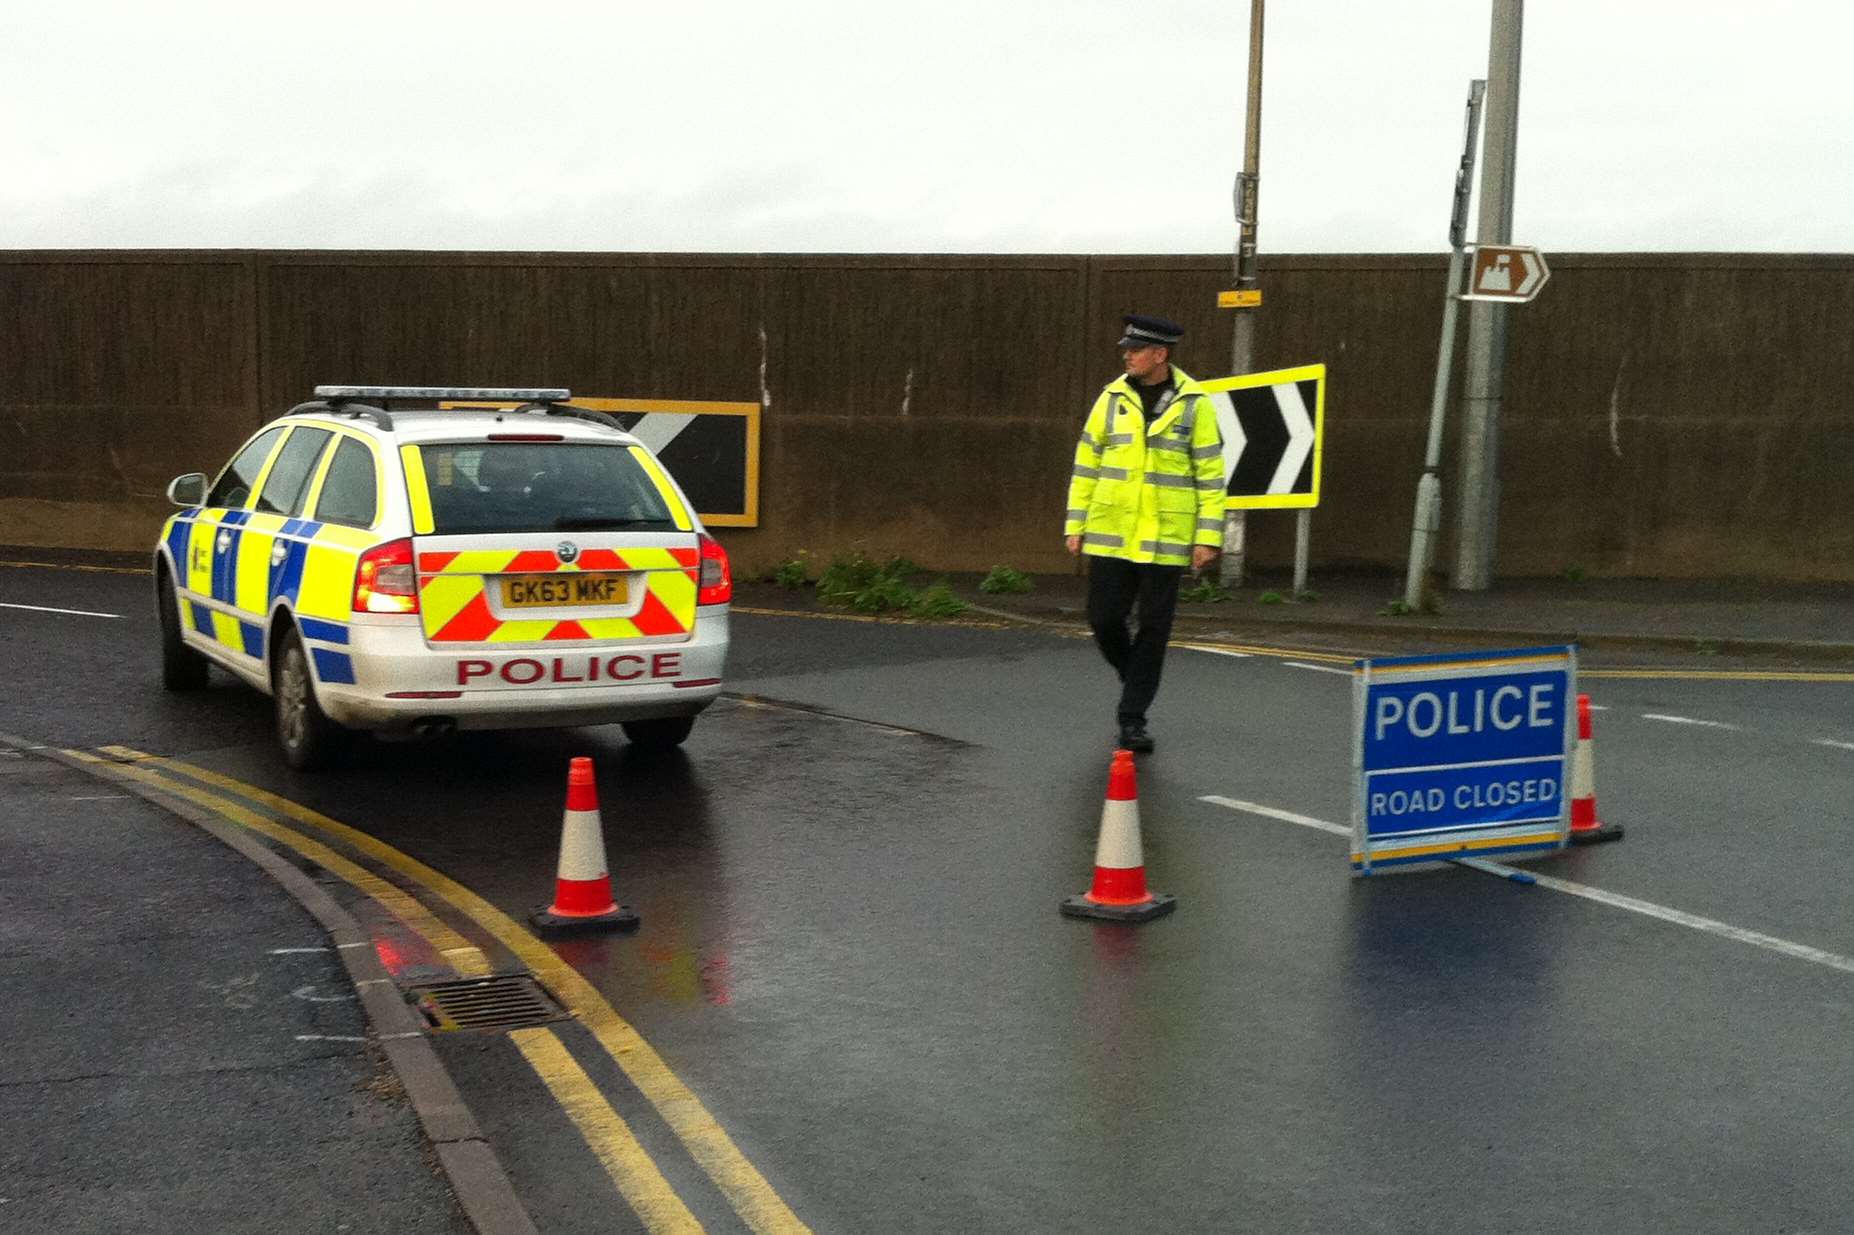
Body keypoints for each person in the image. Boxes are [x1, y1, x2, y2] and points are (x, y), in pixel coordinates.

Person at [1064, 314, 1224, 753]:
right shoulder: (1110, 398)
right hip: (1112, 532)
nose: (1126, 356)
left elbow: (1210, 474)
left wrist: (1208, 536)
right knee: (1103, 618)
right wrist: (1075, 524)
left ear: (1160, 354)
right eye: (1126, 349)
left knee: (1154, 629)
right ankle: (1135, 676)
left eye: (1135, 350)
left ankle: (1132, 719)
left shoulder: (1195, 403)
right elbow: (1086, 465)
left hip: (1167, 538)